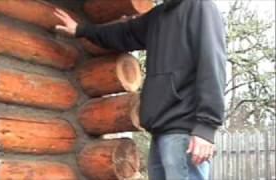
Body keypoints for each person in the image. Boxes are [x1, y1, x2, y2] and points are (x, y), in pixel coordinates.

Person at [54, 0, 226, 179]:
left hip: (185, 132)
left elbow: (212, 66)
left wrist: (206, 127)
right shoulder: (158, 16)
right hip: (161, 131)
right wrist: (81, 30)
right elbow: (123, 33)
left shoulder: (200, 7)